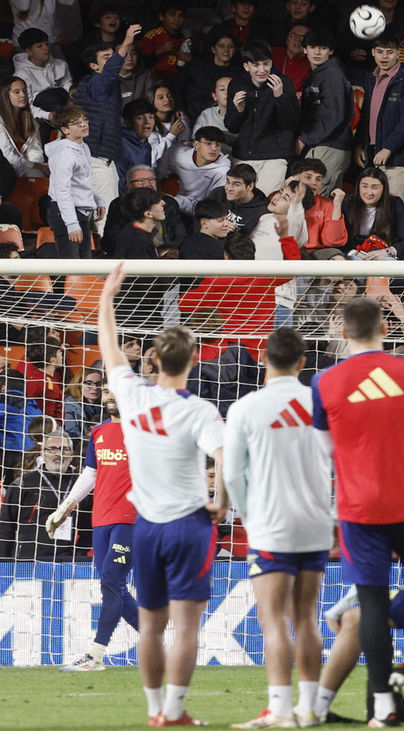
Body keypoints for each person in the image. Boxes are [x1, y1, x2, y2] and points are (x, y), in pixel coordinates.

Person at [310, 297, 404, 726]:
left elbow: (325, 446)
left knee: (372, 601)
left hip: (359, 506)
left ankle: (382, 706)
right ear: (385, 329)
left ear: (344, 333)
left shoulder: (324, 381)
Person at [96, 263, 226, 726]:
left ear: (152, 359)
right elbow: (225, 456)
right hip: (189, 524)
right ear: (193, 360)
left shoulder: (131, 395)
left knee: (150, 625)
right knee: (186, 625)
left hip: (145, 526)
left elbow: (109, 346)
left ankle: (154, 711)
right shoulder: (201, 410)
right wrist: (222, 502)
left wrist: (107, 298)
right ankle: (174, 710)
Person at [222, 327, 333, 728]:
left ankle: (281, 709)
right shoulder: (321, 402)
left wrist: (249, 515)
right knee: (306, 616)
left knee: (272, 619)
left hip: (271, 523)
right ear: (302, 362)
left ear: (263, 361)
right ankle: (310, 708)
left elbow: (231, 474)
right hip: (316, 523)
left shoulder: (245, 408)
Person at [45, 389, 137, 670]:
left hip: (132, 518)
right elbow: (91, 472)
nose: (110, 395)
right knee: (114, 586)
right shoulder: (98, 432)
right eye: (106, 390)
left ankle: (96, 655)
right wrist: (64, 507)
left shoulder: (145, 432)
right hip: (101, 519)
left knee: (111, 581)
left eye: (116, 389)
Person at [74, 23, 142, 227]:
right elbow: (109, 73)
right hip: (96, 159)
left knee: (102, 217)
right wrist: (126, 42)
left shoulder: (108, 85)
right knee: (105, 220)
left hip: (103, 159)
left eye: (113, 56)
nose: (113, 60)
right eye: (106, 58)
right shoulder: (95, 83)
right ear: (94, 66)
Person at [354, 31, 404, 213]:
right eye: (380, 52)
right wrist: (360, 145)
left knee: (399, 212)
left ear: (398, 53)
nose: (384, 57)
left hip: (398, 159)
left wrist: (389, 147)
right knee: (374, 214)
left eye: (390, 52)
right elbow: (366, 117)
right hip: (373, 155)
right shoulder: (371, 78)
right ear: (373, 53)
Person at [226, 40, 298, 194]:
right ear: (246, 66)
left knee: (267, 199)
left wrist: (280, 97)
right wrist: (239, 109)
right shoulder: (236, 85)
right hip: (244, 156)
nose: (262, 70)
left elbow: (290, 123)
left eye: (266, 64)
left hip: (275, 157)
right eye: (256, 65)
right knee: (241, 200)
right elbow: (231, 126)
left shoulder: (283, 83)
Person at [0, 428, 80, 560]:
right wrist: (3, 563)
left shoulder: (80, 485)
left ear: (72, 454)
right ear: (42, 453)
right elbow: (6, 527)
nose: (58, 453)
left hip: (69, 560)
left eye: (64, 449)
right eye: (52, 449)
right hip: (28, 560)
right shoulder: (23, 483)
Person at [43, 105, 105, 259]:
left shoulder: (84, 147)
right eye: (77, 123)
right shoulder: (64, 154)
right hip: (65, 212)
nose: (83, 125)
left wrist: (97, 199)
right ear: (65, 130)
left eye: (84, 120)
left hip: (80, 211)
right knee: (71, 263)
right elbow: (62, 190)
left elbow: (82, 180)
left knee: (84, 263)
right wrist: (71, 223)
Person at [297, 30, 353, 195]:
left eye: (323, 48)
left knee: (314, 198)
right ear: (305, 49)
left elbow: (334, 117)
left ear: (331, 51)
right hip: (322, 144)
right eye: (312, 47)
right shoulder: (319, 74)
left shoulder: (332, 74)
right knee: (314, 199)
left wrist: (303, 139)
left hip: (331, 145)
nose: (317, 52)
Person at [341, 167, 404, 260]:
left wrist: (387, 252)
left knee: (388, 261)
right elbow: (337, 240)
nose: (369, 192)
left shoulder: (395, 204)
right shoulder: (347, 203)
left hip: (384, 253)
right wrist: (355, 253)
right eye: (364, 186)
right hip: (355, 253)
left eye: (375, 187)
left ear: (384, 188)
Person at [159, 125, 230, 215]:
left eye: (217, 145)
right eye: (208, 143)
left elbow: (212, 204)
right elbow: (160, 174)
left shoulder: (222, 171)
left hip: (198, 211)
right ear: (196, 144)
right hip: (170, 204)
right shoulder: (178, 154)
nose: (214, 148)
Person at [0, 77, 47, 177]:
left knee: (38, 175)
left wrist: (37, 167)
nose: (23, 95)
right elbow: (7, 156)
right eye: (16, 92)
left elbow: (35, 151)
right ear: (5, 96)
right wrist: (35, 166)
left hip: (25, 166)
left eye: (24, 91)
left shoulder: (30, 120)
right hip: (4, 169)